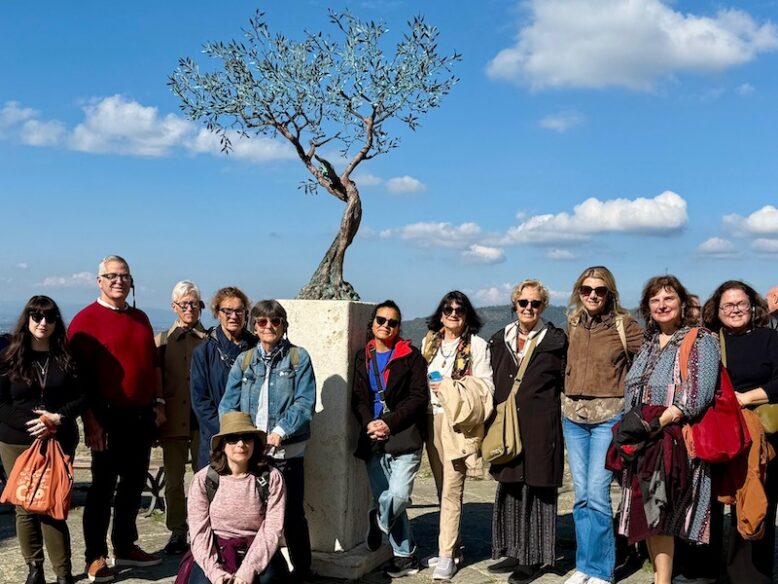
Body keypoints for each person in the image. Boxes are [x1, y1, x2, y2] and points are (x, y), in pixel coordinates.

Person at [68, 255, 166, 582]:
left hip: (140, 416)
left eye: (124, 276)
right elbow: (77, 381)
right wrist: (90, 421)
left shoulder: (141, 318)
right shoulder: (85, 321)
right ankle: (95, 556)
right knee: (102, 489)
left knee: (133, 486)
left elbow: (152, 365)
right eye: (111, 276)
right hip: (105, 418)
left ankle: (125, 546)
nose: (118, 281)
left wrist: (159, 404)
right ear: (99, 281)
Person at [616, 275, 719, 584]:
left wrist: (654, 423)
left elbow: (698, 394)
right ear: (648, 307)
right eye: (655, 300)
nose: (662, 305)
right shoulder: (647, 343)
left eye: (668, 298)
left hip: (672, 441)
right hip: (645, 443)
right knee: (650, 511)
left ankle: (663, 580)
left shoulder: (699, 340)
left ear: (682, 303)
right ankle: (662, 577)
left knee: (661, 511)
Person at [219, 300, 316, 582]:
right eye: (262, 322)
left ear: (284, 325)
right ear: (255, 326)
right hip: (252, 452)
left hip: (287, 452)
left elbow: (305, 402)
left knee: (291, 516)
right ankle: (259, 571)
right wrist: (238, 435)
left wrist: (280, 431)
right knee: (254, 516)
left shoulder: (298, 358)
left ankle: (302, 572)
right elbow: (228, 404)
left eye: (275, 322)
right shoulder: (244, 360)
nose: (269, 327)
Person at [562, 266, 643, 584]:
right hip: (573, 418)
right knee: (580, 495)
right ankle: (584, 565)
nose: (592, 295)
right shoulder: (573, 323)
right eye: (586, 289)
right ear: (578, 292)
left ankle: (601, 569)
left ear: (610, 293)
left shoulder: (624, 325)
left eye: (599, 290)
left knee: (597, 493)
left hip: (608, 418)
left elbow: (652, 354)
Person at [0, 296, 86, 584]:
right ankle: (34, 569)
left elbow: (82, 396)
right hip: (15, 441)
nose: (43, 323)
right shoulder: (9, 356)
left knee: (53, 505)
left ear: (55, 322)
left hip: (58, 440)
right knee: (24, 507)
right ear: (28, 320)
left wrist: (57, 419)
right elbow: (1, 403)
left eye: (49, 318)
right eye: (37, 317)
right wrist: (32, 425)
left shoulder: (66, 357)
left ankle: (63, 574)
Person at [487, 279, 567, 584]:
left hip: (540, 427)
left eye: (535, 303)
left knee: (538, 489)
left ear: (543, 306)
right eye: (523, 303)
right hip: (507, 427)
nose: (529, 308)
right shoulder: (499, 339)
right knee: (509, 486)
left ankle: (533, 558)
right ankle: (512, 549)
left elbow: (564, 382)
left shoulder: (555, 341)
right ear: (515, 305)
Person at [701, 280, 778, 584]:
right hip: (721, 434)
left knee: (758, 502)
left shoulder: (770, 340)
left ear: (752, 306)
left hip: (765, 436)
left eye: (741, 303)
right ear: (716, 311)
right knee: (715, 501)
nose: (735, 310)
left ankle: (753, 576)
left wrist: (746, 398)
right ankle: (716, 571)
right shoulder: (710, 342)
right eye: (728, 305)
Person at [351, 300, 429, 578]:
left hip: (404, 437)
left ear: (398, 327)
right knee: (386, 498)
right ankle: (405, 556)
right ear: (372, 323)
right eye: (381, 320)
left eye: (392, 322)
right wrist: (369, 423)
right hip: (372, 438)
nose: (386, 326)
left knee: (397, 496)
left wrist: (388, 422)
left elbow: (419, 398)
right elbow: (359, 398)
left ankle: (378, 520)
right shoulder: (363, 357)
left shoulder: (411, 357)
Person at [420, 290, 494, 579]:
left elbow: (486, 390)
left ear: (467, 316)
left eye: (459, 310)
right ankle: (453, 546)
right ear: (440, 313)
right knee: (441, 488)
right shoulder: (430, 342)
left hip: (456, 424)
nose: (453, 314)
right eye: (448, 309)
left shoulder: (476, 345)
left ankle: (446, 555)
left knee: (452, 489)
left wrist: (450, 387)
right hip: (430, 419)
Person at [185, 411, 289, 584]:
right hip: (215, 549)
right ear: (222, 445)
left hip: (259, 548)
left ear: (255, 443)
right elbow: (199, 532)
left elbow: (272, 529)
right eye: (232, 439)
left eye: (247, 438)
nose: (241, 444)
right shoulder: (204, 480)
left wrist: (248, 569)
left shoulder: (271, 478)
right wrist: (214, 572)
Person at [155, 280, 208, 555]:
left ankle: (204, 531)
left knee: (204, 478)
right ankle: (177, 531)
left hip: (202, 422)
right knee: (174, 481)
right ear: (174, 307)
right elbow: (155, 381)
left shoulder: (210, 341)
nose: (190, 309)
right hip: (173, 420)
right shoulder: (162, 341)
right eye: (184, 304)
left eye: (195, 304)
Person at [191, 287, 256, 470]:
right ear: (217, 313)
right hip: (216, 440)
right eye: (227, 311)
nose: (233, 316)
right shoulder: (203, 352)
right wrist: (227, 432)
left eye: (239, 311)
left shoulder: (256, 349)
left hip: (249, 441)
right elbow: (200, 401)